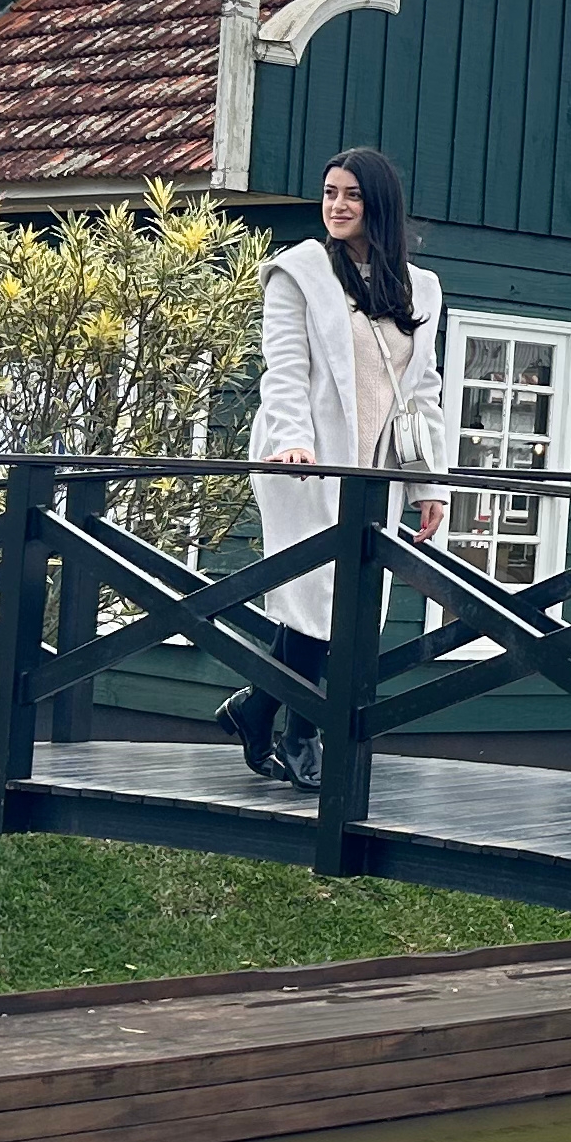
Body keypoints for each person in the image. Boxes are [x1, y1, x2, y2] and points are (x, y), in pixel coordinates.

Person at [223, 147, 451, 787]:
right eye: (329, 193)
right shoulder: (298, 272)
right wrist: (293, 440)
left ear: (378, 204)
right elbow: (286, 370)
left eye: (351, 194)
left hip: (372, 468)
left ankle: (255, 705)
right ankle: (301, 733)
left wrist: (428, 484)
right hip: (306, 462)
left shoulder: (420, 287)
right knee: (320, 593)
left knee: (347, 597)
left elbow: (423, 393)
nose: (338, 206)